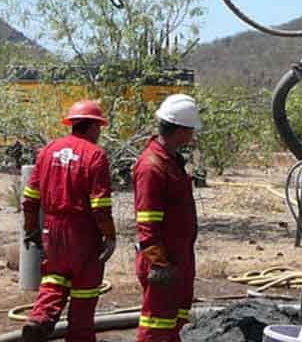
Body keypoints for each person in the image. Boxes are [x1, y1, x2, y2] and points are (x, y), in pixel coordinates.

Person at [21, 99, 117, 342]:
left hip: (52, 230)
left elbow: (30, 197)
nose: (99, 133)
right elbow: (100, 205)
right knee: (84, 294)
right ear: (93, 126)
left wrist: (31, 228)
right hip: (83, 232)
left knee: (54, 279)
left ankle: (39, 319)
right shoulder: (95, 155)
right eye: (99, 127)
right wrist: (110, 235)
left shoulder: (48, 151)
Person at [134, 93, 201, 342]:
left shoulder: (171, 161)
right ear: (181, 130)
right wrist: (159, 264)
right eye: (191, 130)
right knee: (156, 324)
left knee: (174, 321)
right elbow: (147, 223)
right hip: (163, 258)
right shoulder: (152, 166)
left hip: (178, 256)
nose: (193, 135)